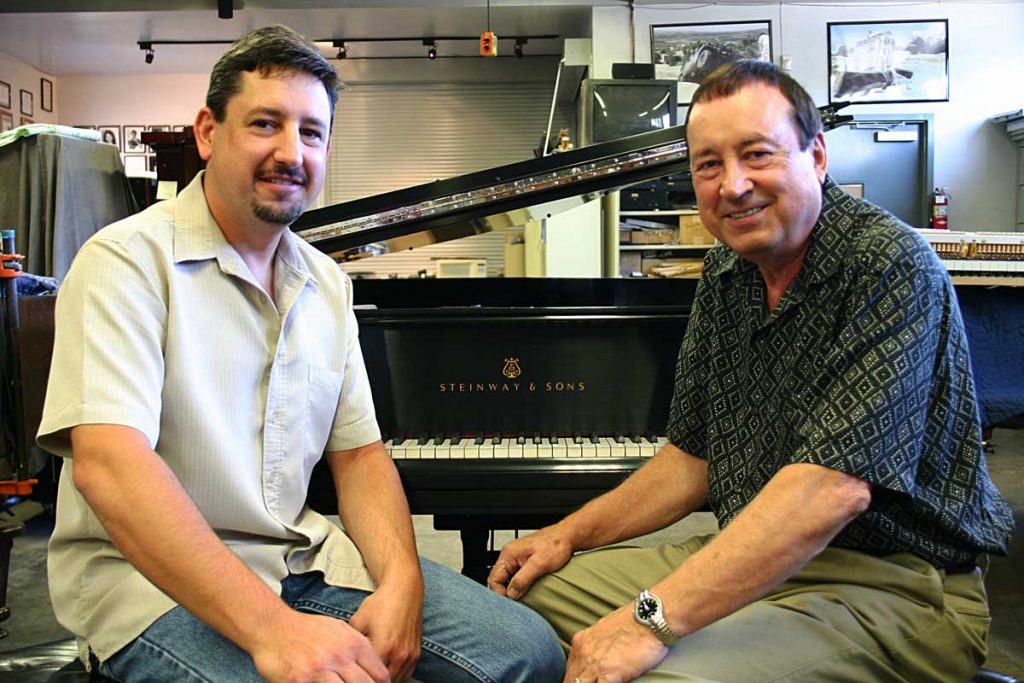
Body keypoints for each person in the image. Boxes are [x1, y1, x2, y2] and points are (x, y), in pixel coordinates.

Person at [38, 25, 564, 683]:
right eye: (265, 123)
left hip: (303, 562)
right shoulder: (125, 263)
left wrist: (401, 581)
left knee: (528, 650)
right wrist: (273, 630)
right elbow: (111, 466)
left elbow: (361, 454)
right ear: (208, 132)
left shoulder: (326, 283)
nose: (291, 151)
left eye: (311, 132)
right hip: (153, 587)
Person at [487, 59, 1015, 683]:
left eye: (757, 154)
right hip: (753, 556)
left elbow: (831, 491)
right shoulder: (725, 274)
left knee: (661, 674)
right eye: (708, 164)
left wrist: (646, 622)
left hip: (894, 581)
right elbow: (690, 461)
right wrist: (566, 534)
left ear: (816, 155)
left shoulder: (888, 263)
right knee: (526, 600)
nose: (732, 185)